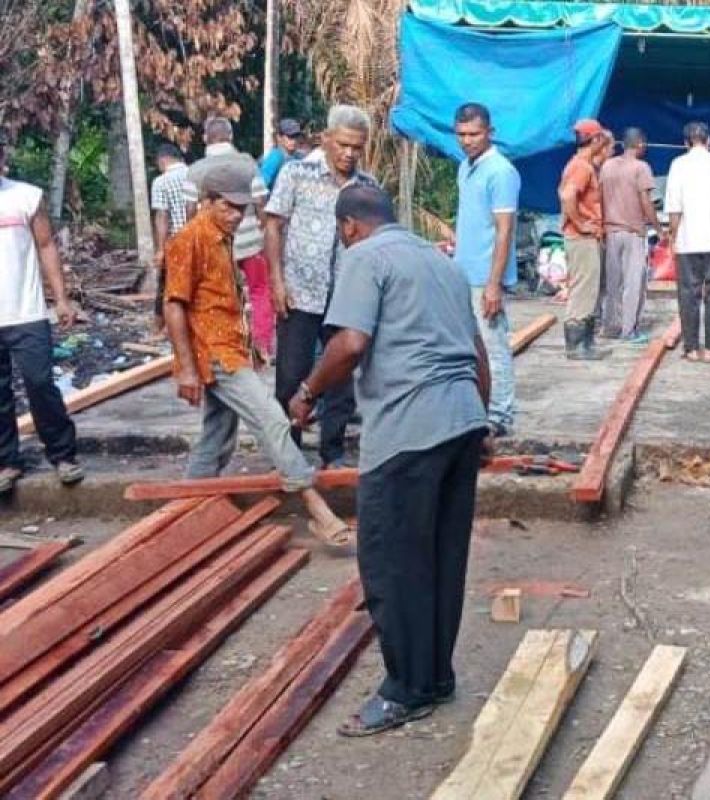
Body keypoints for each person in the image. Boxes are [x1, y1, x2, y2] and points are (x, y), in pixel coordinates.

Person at [287, 185, 491, 736]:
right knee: (441, 558)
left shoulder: (363, 257)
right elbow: (477, 352)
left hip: (408, 429)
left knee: (390, 563)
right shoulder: (440, 263)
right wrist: (484, 421)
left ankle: (405, 689)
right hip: (462, 420)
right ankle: (435, 677)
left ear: (349, 225)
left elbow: (351, 343)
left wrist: (306, 392)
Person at [162, 162, 349, 546]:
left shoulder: (220, 236)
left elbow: (221, 300)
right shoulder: (189, 240)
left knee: (217, 438)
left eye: (241, 209)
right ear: (206, 201)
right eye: (228, 207)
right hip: (214, 353)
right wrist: (184, 368)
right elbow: (174, 305)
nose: (236, 215)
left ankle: (181, 516)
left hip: (231, 349)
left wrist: (251, 346)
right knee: (273, 421)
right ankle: (317, 509)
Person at [264, 104, 379, 468]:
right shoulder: (297, 174)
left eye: (356, 147)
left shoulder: (368, 187)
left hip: (347, 298)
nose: (348, 153)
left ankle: (333, 452)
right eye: (343, 144)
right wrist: (277, 282)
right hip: (299, 293)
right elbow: (273, 225)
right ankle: (289, 453)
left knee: (341, 379)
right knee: (290, 376)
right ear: (326, 139)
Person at [0, 133, 84, 493]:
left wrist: (61, 299)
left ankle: (63, 455)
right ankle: (6, 462)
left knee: (39, 383)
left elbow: (46, 245)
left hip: (26, 310)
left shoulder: (25, 196)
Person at [451, 102, 519, 437]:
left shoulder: (500, 171)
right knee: (470, 347)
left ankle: (500, 415)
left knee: (493, 347)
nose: (467, 141)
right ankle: (477, 407)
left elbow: (504, 229)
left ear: (489, 132)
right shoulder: (465, 167)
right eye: (461, 134)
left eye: (474, 134)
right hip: (464, 272)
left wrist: (494, 283)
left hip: (485, 277)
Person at [182, 117, 274, 359]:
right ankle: (262, 346)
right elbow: (261, 203)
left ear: (205, 138)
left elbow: (190, 211)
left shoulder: (196, 170)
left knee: (218, 293)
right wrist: (263, 233)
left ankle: (224, 345)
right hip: (250, 242)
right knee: (259, 290)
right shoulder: (248, 165)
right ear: (231, 136)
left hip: (214, 245)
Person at [664, 121, 710, 362]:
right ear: (709, 141)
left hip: (688, 241)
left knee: (688, 294)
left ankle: (691, 348)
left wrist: (673, 236)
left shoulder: (678, 165)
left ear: (685, 143)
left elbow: (674, 209)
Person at [599, 127, 663, 344]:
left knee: (612, 282)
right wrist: (658, 227)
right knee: (633, 283)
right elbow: (646, 202)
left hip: (610, 230)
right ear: (640, 144)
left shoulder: (606, 166)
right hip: (634, 231)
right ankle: (629, 330)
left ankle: (609, 326)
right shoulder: (641, 167)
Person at [558, 119, 610, 360]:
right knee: (583, 290)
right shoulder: (582, 167)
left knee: (589, 290)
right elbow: (568, 195)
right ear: (596, 140)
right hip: (581, 238)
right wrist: (580, 223)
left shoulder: (580, 165)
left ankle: (586, 343)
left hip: (584, 237)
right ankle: (576, 346)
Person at [150, 142, 190, 329]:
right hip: (200, 239)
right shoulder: (195, 175)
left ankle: (160, 327)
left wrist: (160, 249)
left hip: (176, 241)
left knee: (167, 286)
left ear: (163, 160)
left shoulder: (161, 182)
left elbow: (162, 215)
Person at [259, 118, 304, 191]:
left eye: (296, 136)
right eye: (290, 136)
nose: (294, 140)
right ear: (279, 137)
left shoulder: (300, 157)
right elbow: (258, 187)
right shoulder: (275, 157)